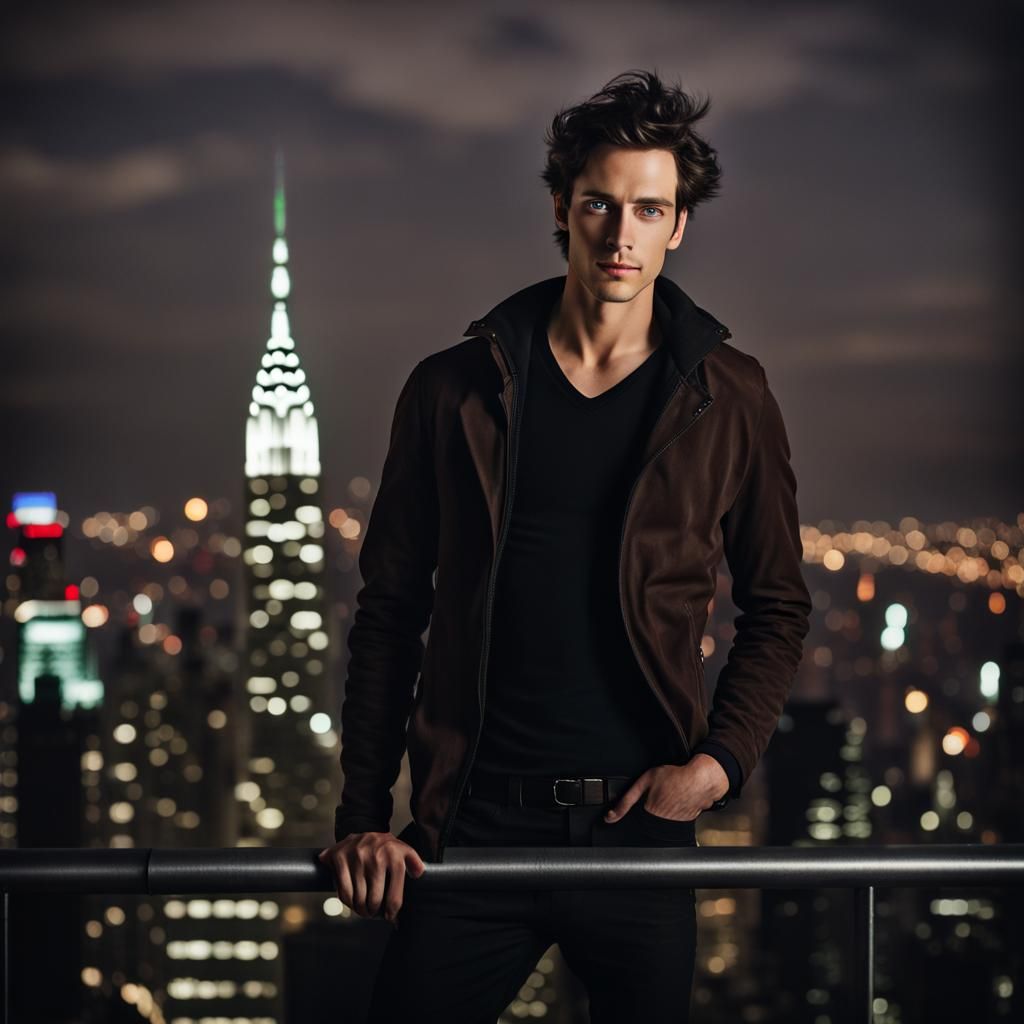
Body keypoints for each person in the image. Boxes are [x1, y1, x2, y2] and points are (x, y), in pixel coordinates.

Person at [319, 68, 812, 1023]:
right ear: (561, 208)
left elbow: (779, 605)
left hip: (642, 833)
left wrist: (715, 768)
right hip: (472, 827)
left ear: (678, 226)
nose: (621, 234)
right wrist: (362, 822)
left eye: (648, 209)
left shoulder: (730, 396)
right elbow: (390, 612)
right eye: (599, 203)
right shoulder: (454, 390)